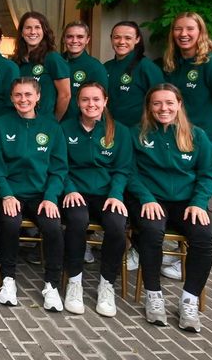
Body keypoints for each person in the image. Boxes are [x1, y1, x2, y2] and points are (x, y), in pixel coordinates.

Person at [129, 84, 212, 333]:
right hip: (150, 199)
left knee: (204, 236)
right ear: (149, 107)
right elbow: (129, 172)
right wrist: (146, 198)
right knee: (152, 230)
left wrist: (199, 203)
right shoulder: (138, 134)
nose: (163, 108)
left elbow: (208, 173)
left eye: (169, 103)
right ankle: (153, 294)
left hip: (186, 202)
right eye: (157, 103)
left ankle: (189, 299)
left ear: (179, 104)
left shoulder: (196, 135)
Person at [0, 77, 68, 311]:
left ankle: (52, 285)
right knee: (11, 224)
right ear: (12, 98)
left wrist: (51, 197)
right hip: (11, 192)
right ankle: (8, 279)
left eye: (28, 95)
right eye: (18, 95)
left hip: (40, 194)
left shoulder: (52, 127)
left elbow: (59, 167)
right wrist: (6, 194)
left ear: (38, 97)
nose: (23, 99)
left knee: (53, 227)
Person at [59, 83, 132, 317]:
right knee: (77, 222)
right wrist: (69, 189)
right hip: (75, 191)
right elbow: (60, 165)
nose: (91, 104)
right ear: (77, 103)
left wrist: (116, 194)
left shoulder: (118, 131)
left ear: (105, 101)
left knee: (117, 226)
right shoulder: (65, 128)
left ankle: (107, 284)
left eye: (96, 99)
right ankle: (75, 281)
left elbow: (123, 168)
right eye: (85, 100)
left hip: (107, 193)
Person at [162, 12, 212, 163]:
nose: (183, 34)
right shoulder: (171, 65)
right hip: (175, 139)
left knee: (203, 186)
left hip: (206, 141)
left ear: (201, 32)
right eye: (178, 29)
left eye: (190, 28)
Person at [104, 21, 164, 127]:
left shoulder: (147, 67)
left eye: (128, 38)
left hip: (138, 131)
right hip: (110, 128)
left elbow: (160, 101)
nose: (121, 42)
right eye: (117, 37)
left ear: (137, 39)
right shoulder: (106, 67)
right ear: (111, 39)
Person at [13, 11, 71, 120]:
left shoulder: (53, 58)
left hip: (44, 123)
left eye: (37, 27)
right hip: (19, 121)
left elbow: (65, 95)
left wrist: (54, 120)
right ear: (21, 32)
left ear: (44, 31)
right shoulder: (17, 60)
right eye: (28, 28)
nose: (32, 31)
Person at [62, 21, 108, 120]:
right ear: (64, 39)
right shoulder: (56, 61)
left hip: (80, 123)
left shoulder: (96, 67)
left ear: (87, 39)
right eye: (70, 36)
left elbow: (100, 102)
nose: (74, 40)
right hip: (54, 121)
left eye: (80, 37)